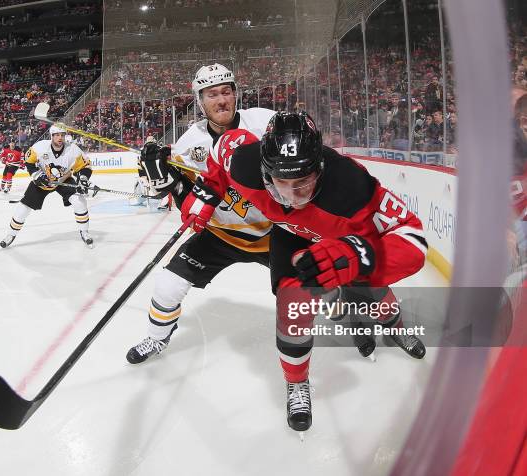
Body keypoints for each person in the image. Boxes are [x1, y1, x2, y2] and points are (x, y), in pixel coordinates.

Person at [180, 112, 428, 432]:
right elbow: (219, 152)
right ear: (264, 170)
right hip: (291, 238)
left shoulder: (353, 187)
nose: (292, 198)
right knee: (293, 311)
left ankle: (395, 325)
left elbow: (414, 241)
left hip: (344, 241)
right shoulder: (243, 160)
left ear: (320, 169)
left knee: (376, 294)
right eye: (280, 184)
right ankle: (296, 383)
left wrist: (357, 256)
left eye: (303, 183)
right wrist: (206, 192)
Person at [125, 63, 276, 363]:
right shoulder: (188, 145)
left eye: (226, 92)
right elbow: (184, 200)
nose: (221, 100)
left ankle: (358, 320)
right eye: (211, 95)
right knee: (167, 285)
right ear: (200, 101)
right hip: (221, 235)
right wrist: (164, 181)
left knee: (319, 282)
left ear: (235, 95)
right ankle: (157, 338)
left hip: (274, 232)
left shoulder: (265, 123)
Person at [0, 125, 94, 249]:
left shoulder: (73, 150)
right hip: (42, 182)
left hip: (63, 180)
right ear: (52, 136)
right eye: (57, 135)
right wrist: (36, 175)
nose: (60, 138)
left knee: (79, 201)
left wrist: (83, 179)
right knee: (23, 208)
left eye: (62, 135)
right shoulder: (40, 147)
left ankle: (84, 232)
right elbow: (29, 161)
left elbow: (84, 166)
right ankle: (10, 235)